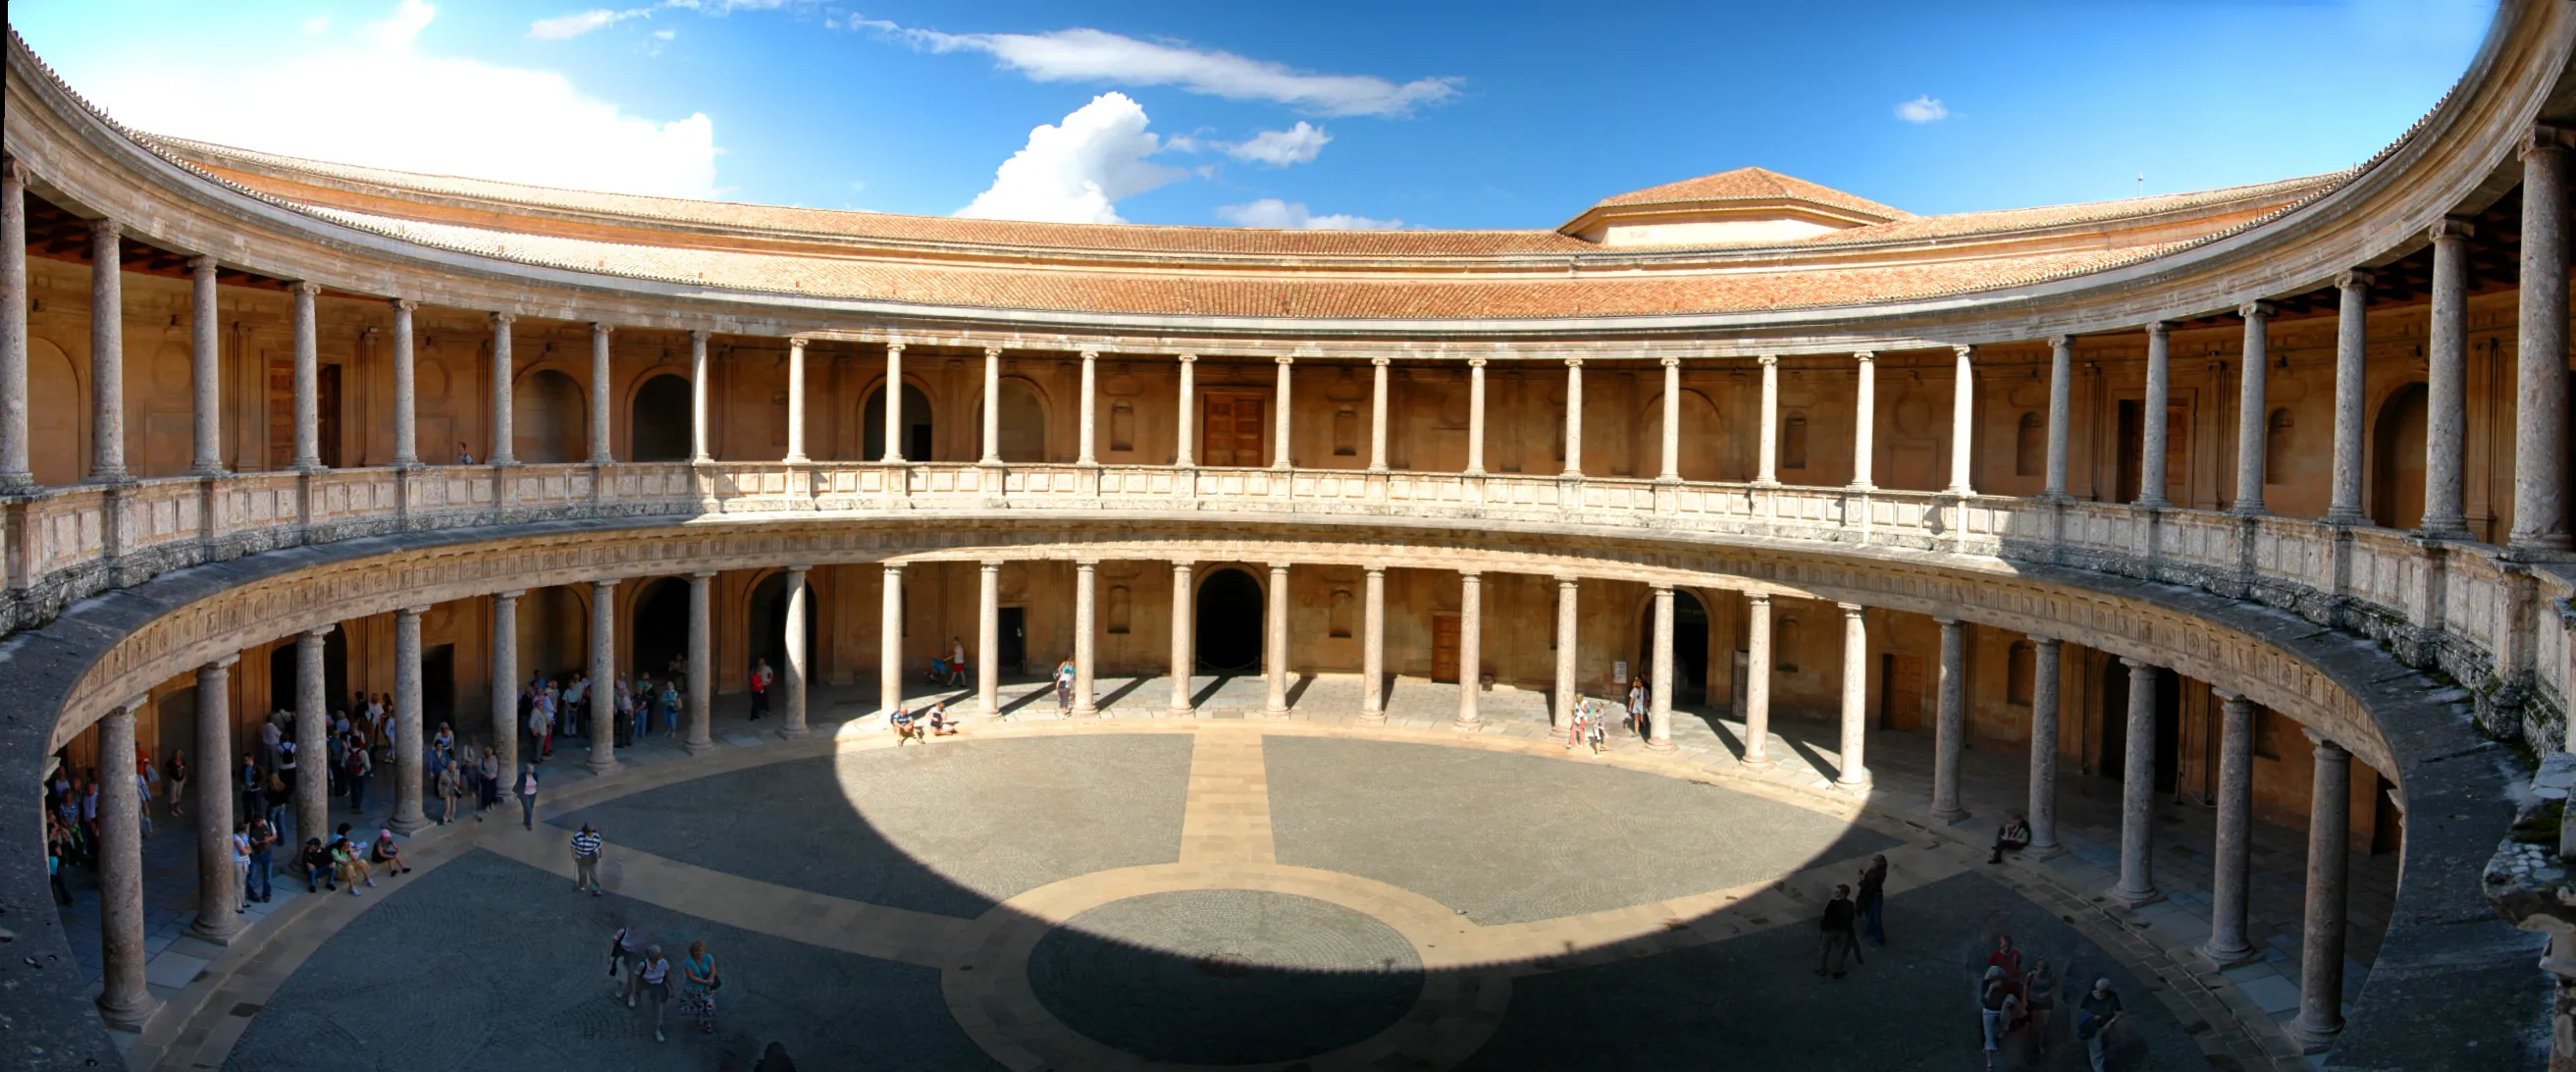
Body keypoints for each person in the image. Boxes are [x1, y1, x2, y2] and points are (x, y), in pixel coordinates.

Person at [2077, 977, 2124, 1072]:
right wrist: (2092, 1017)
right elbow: (2082, 1010)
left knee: (2104, 1045)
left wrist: (2110, 1023)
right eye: (2099, 991)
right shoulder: (2089, 997)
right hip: (2094, 1028)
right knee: (2096, 1052)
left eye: (2103, 991)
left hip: (2106, 1027)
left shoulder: (2112, 996)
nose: (2100, 993)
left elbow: (2119, 1011)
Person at [1815, 883, 1859, 979]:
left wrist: (1823, 926)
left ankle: (1821, 969)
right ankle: (1837, 970)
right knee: (1839, 950)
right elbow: (1851, 918)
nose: (1835, 892)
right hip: (1842, 931)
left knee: (1824, 949)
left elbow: (1826, 915)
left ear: (1842, 893)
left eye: (1837, 891)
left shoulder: (1832, 903)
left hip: (1830, 930)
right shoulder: (1850, 904)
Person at [680, 938, 718, 1034]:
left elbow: (713, 970)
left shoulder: (708, 957)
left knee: (709, 1007)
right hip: (694, 988)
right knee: (701, 1006)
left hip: (707, 987)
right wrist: (705, 982)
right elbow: (691, 977)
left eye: (701, 950)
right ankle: (703, 1023)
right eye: (697, 951)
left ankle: (704, 1021)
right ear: (692, 952)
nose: (700, 953)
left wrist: (711, 978)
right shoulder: (688, 962)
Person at [1979, 964, 2016, 1064]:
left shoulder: (2005, 984)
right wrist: (1991, 989)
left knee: (2006, 1029)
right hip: (1989, 1011)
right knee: (1988, 1038)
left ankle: (1999, 1040)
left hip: (2001, 1010)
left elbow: (2013, 992)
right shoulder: (1986, 983)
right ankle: (1989, 1063)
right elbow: (1984, 1000)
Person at [636, 943, 673, 1042]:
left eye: (660, 953)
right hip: (647, 988)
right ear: (652, 955)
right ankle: (654, 1021)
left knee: (658, 1009)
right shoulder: (643, 965)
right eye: (657, 954)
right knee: (648, 1007)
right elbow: (636, 977)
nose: (660, 955)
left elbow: (668, 976)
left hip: (659, 988)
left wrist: (671, 988)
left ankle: (657, 1028)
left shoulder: (663, 963)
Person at [2024, 957, 2058, 1055]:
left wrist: (2046, 994)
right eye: (2041, 969)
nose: (2042, 972)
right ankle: (2029, 1042)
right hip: (2033, 1001)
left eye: (2044, 969)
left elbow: (2053, 987)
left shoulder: (2051, 976)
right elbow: (2026, 986)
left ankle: (2040, 1044)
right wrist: (2025, 1000)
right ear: (2037, 968)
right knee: (2033, 1022)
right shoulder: (2030, 975)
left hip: (2045, 1002)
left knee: (2044, 1024)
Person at [1856, 853, 1889, 945]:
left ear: (1877, 864)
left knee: (1875, 915)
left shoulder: (1875, 875)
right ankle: (1871, 930)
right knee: (1870, 914)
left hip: (1873, 897)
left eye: (1873, 862)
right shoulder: (1874, 872)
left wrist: (1861, 879)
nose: (1870, 863)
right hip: (1873, 896)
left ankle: (1878, 935)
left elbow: (1867, 885)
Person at [245, 813, 276, 903]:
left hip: (267, 853)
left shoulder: (269, 824)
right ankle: (252, 894)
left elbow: (274, 835)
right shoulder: (249, 826)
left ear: (263, 820)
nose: (258, 824)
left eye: (260, 822)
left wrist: (268, 839)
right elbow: (245, 840)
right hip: (255, 854)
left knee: (268, 876)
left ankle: (267, 894)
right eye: (256, 822)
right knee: (252, 876)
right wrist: (251, 845)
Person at [571, 823, 605, 895]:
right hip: (581, 857)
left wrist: (600, 853)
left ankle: (595, 889)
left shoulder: (596, 836)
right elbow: (573, 845)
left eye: (592, 831)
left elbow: (600, 845)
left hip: (592, 858)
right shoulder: (578, 836)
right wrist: (573, 855)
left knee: (593, 874)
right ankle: (582, 884)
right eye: (589, 831)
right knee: (582, 873)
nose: (591, 833)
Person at [343, 737, 372, 814]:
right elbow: (367, 766)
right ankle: (358, 807)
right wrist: (366, 770)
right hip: (360, 774)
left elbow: (343, 765)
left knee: (353, 789)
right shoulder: (363, 752)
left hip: (350, 774)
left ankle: (354, 804)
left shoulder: (346, 752)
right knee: (360, 791)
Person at [228, 822, 252, 913]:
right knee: (237, 884)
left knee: (242, 882)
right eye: (247, 828)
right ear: (243, 829)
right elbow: (243, 851)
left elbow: (249, 848)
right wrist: (248, 850)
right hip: (237, 862)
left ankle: (243, 901)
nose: (248, 829)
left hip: (244, 861)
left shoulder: (244, 836)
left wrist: (248, 850)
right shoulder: (236, 837)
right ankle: (237, 905)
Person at [437, 759, 462, 825]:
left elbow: (458, 781)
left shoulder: (457, 772)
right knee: (447, 806)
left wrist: (458, 783)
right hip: (446, 791)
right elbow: (439, 783)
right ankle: (445, 818)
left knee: (453, 805)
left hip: (454, 791)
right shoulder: (443, 773)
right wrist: (440, 791)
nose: (452, 768)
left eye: (454, 767)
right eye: (451, 767)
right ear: (448, 766)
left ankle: (451, 817)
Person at [516, 764, 541, 830]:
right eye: (529, 769)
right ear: (526, 769)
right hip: (524, 794)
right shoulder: (522, 776)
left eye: (532, 769)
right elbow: (518, 785)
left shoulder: (535, 775)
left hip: (533, 794)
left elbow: (536, 782)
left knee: (529, 808)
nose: (531, 770)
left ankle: (525, 821)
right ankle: (528, 824)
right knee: (528, 809)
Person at [478, 746, 501, 814]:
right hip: (485, 778)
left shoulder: (494, 758)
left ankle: (491, 803)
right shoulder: (481, 759)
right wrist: (486, 775)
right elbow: (480, 769)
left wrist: (493, 773)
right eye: (488, 754)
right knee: (486, 792)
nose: (489, 755)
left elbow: (496, 766)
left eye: (490, 753)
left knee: (492, 791)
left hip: (493, 777)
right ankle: (486, 805)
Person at [166, 749, 188, 819]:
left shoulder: (183, 761)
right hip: (173, 780)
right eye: (176, 754)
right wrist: (170, 779)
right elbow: (164, 771)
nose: (177, 756)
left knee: (179, 794)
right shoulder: (170, 762)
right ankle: (172, 810)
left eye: (179, 754)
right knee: (172, 795)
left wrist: (184, 777)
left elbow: (185, 769)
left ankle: (177, 807)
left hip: (181, 780)